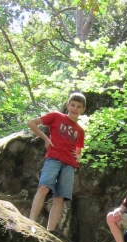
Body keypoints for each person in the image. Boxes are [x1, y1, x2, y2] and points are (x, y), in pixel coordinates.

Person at [27, 93, 86, 232]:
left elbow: (78, 152)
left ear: (83, 109)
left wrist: (78, 157)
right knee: (44, 187)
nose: (75, 109)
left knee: (59, 198)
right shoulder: (56, 116)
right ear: (67, 105)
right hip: (53, 158)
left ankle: (50, 231)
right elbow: (31, 123)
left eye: (78, 107)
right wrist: (46, 139)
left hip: (69, 165)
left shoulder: (80, 130)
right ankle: (30, 222)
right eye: (72, 105)